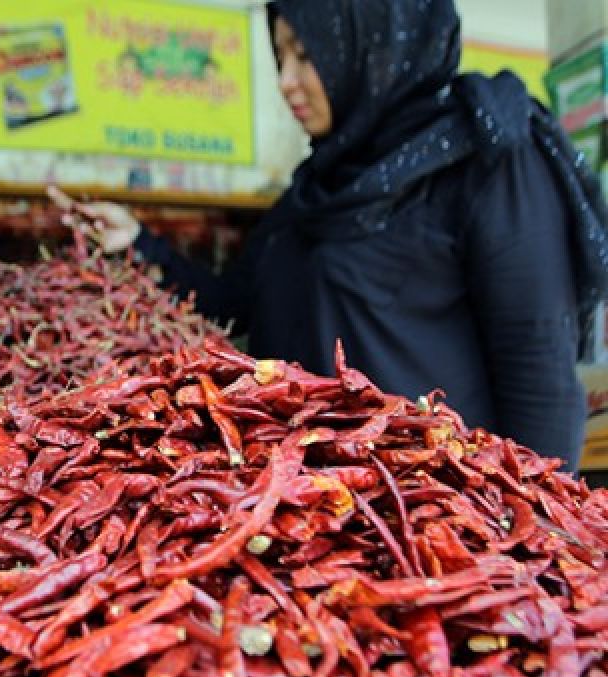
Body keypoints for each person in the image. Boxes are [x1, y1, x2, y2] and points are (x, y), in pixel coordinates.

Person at [51, 0, 608, 469]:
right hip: (309, 515)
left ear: (371, 43)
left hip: (435, 524)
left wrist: (530, 546)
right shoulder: (311, 190)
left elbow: (538, 374)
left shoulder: (484, 162)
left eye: (305, 53)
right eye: (280, 55)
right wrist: (139, 245)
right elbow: (237, 304)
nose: (286, 80)